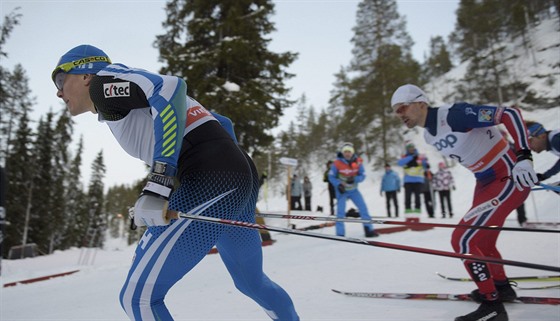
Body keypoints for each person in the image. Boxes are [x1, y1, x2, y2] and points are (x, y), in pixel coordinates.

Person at [52, 44, 299, 321]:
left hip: (214, 179)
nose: (59, 91)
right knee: (250, 282)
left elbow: (170, 87)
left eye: (61, 79)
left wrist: (159, 183)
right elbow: (223, 123)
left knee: (139, 299)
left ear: (85, 73)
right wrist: (236, 180)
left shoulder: (103, 84)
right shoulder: (118, 100)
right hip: (234, 176)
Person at [391, 84, 537, 321]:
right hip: (485, 182)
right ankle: (501, 288)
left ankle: (493, 306)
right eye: (395, 111)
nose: (400, 115)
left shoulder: (453, 115)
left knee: (462, 238)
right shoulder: (428, 135)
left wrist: (524, 157)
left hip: (508, 175)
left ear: (421, 103)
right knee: (483, 240)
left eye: (402, 108)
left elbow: (509, 114)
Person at [328, 143, 378, 237]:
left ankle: (368, 230)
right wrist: (338, 185)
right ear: (343, 153)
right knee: (340, 212)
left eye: (349, 152)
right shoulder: (337, 163)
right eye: (345, 152)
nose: (347, 154)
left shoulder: (358, 162)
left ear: (352, 152)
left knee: (363, 208)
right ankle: (340, 234)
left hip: (354, 190)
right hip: (342, 191)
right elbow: (331, 176)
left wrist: (355, 179)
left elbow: (363, 175)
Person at [397, 143, 428, 217]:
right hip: (408, 180)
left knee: (417, 196)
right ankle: (408, 210)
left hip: (418, 180)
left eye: (412, 148)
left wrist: (424, 161)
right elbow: (400, 163)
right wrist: (411, 157)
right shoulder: (405, 156)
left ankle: (417, 210)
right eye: (409, 148)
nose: (411, 149)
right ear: (407, 149)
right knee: (408, 196)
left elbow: (425, 166)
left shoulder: (419, 156)